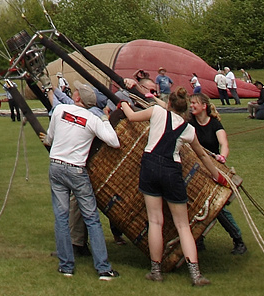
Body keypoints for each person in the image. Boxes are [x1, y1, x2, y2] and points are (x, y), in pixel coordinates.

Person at [124, 86, 227, 285]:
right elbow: (203, 155)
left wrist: (123, 104)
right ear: (185, 108)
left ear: (168, 103)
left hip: (150, 165)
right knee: (183, 225)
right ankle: (195, 274)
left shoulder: (156, 111)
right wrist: (218, 176)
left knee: (155, 221)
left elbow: (130, 117)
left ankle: (156, 270)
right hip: (172, 170)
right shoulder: (189, 129)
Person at [44, 82, 120, 279]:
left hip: (56, 166)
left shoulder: (60, 110)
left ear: (78, 98)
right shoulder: (92, 120)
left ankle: (66, 266)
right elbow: (114, 140)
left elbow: (50, 138)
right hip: (76, 170)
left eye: (75, 91)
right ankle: (103, 268)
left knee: (61, 217)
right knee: (91, 218)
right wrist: (104, 119)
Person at [188, 93, 249, 257]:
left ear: (204, 106)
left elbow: (224, 143)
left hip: (214, 170)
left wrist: (222, 156)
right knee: (195, 205)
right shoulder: (190, 123)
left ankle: (238, 239)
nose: (191, 105)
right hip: (196, 170)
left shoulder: (214, 124)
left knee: (218, 207)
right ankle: (198, 239)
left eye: (194, 103)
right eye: (190, 103)